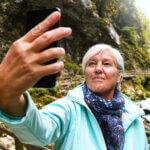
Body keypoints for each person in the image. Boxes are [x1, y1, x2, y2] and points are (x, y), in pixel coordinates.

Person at [0, 11, 148, 150]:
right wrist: (9, 95)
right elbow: (38, 131)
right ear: (86, 73)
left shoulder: (134, 117)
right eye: (91, 63)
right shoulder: (69, 108)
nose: (98, 68)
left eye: (107, 64)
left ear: (119, 76)